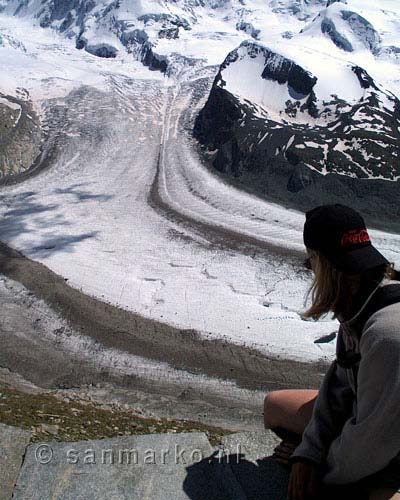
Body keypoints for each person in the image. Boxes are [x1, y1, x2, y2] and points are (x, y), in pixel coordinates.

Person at [263, 204, 400, 500]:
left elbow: (375, 440)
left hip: (390, 443)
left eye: (312, 261)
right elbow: (340, 380)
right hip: (375, 422)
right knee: (274, 406)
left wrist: (322, 470)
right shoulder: (364, 298)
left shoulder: (387, 333)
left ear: (321, 263)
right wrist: (309, 451)